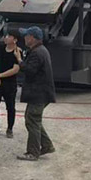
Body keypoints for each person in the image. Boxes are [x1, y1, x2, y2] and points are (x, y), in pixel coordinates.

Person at [16, 26, 56, 161]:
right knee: (32, 119)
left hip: (39, 93)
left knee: (32, 120)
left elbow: (30, 70)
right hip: (40, 93)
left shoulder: (37, 53)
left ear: (32, 38)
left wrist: (19, 60)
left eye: (26, 36)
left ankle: (33, 152)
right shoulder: (39, 50)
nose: (24, 38)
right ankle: (47, 145)